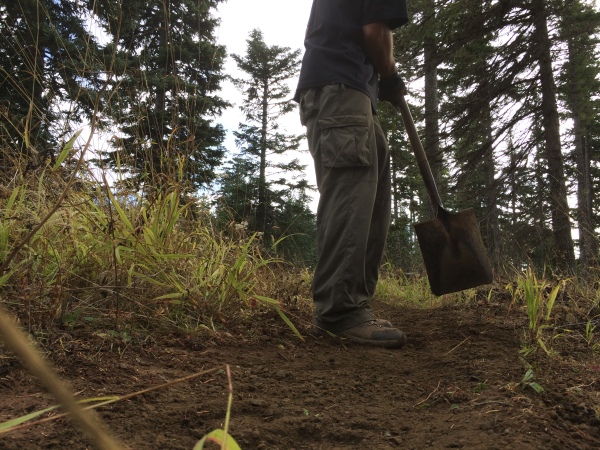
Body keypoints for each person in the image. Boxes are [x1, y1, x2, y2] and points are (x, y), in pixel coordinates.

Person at [295, 0, 409, 348]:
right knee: (350, 194)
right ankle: (338, 310)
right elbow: (375, 31)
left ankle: (354, 303)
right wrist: (389, 73)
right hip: (341, 88)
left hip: (348, 89)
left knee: (369, 195)